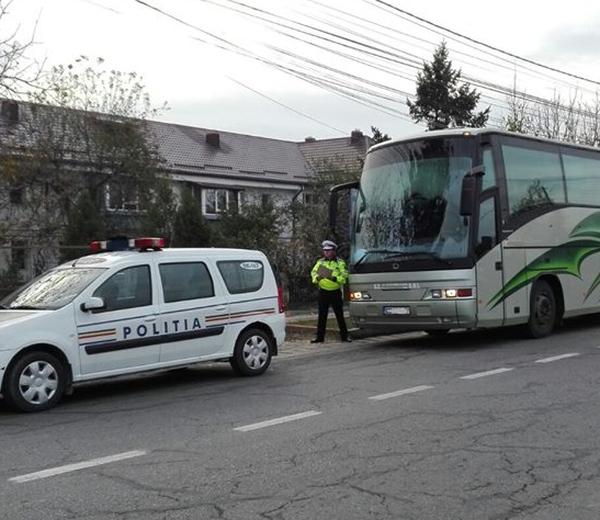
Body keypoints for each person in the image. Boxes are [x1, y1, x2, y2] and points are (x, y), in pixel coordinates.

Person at [310, 240, 351, 343]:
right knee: (322, 315)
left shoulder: (340, 262)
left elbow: (344, 276)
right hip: (323, 292)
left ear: (334, 251)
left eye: (329, 251)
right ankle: (320, 337)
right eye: (325, 251)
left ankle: (344, 336)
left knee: (339, 315)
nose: (326, 253)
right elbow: (313, 273)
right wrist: (317, 278)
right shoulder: (320, 262)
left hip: (335, 292)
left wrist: (335, 279)